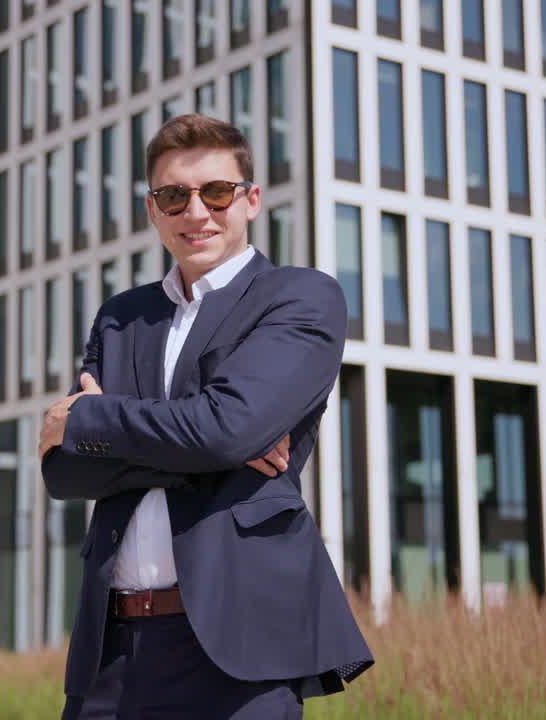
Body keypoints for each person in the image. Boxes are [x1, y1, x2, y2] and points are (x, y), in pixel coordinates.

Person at [40, 114, 373, 719]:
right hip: (109, 653)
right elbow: (65, 474)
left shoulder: (300, 296)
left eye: (216, 192)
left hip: (238, 651)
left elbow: (227, 430)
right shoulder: (121, 318)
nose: (196, 213)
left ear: (250, 199)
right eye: (175, 196)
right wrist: (200, 439)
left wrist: (99, 424)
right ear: (153, 210)